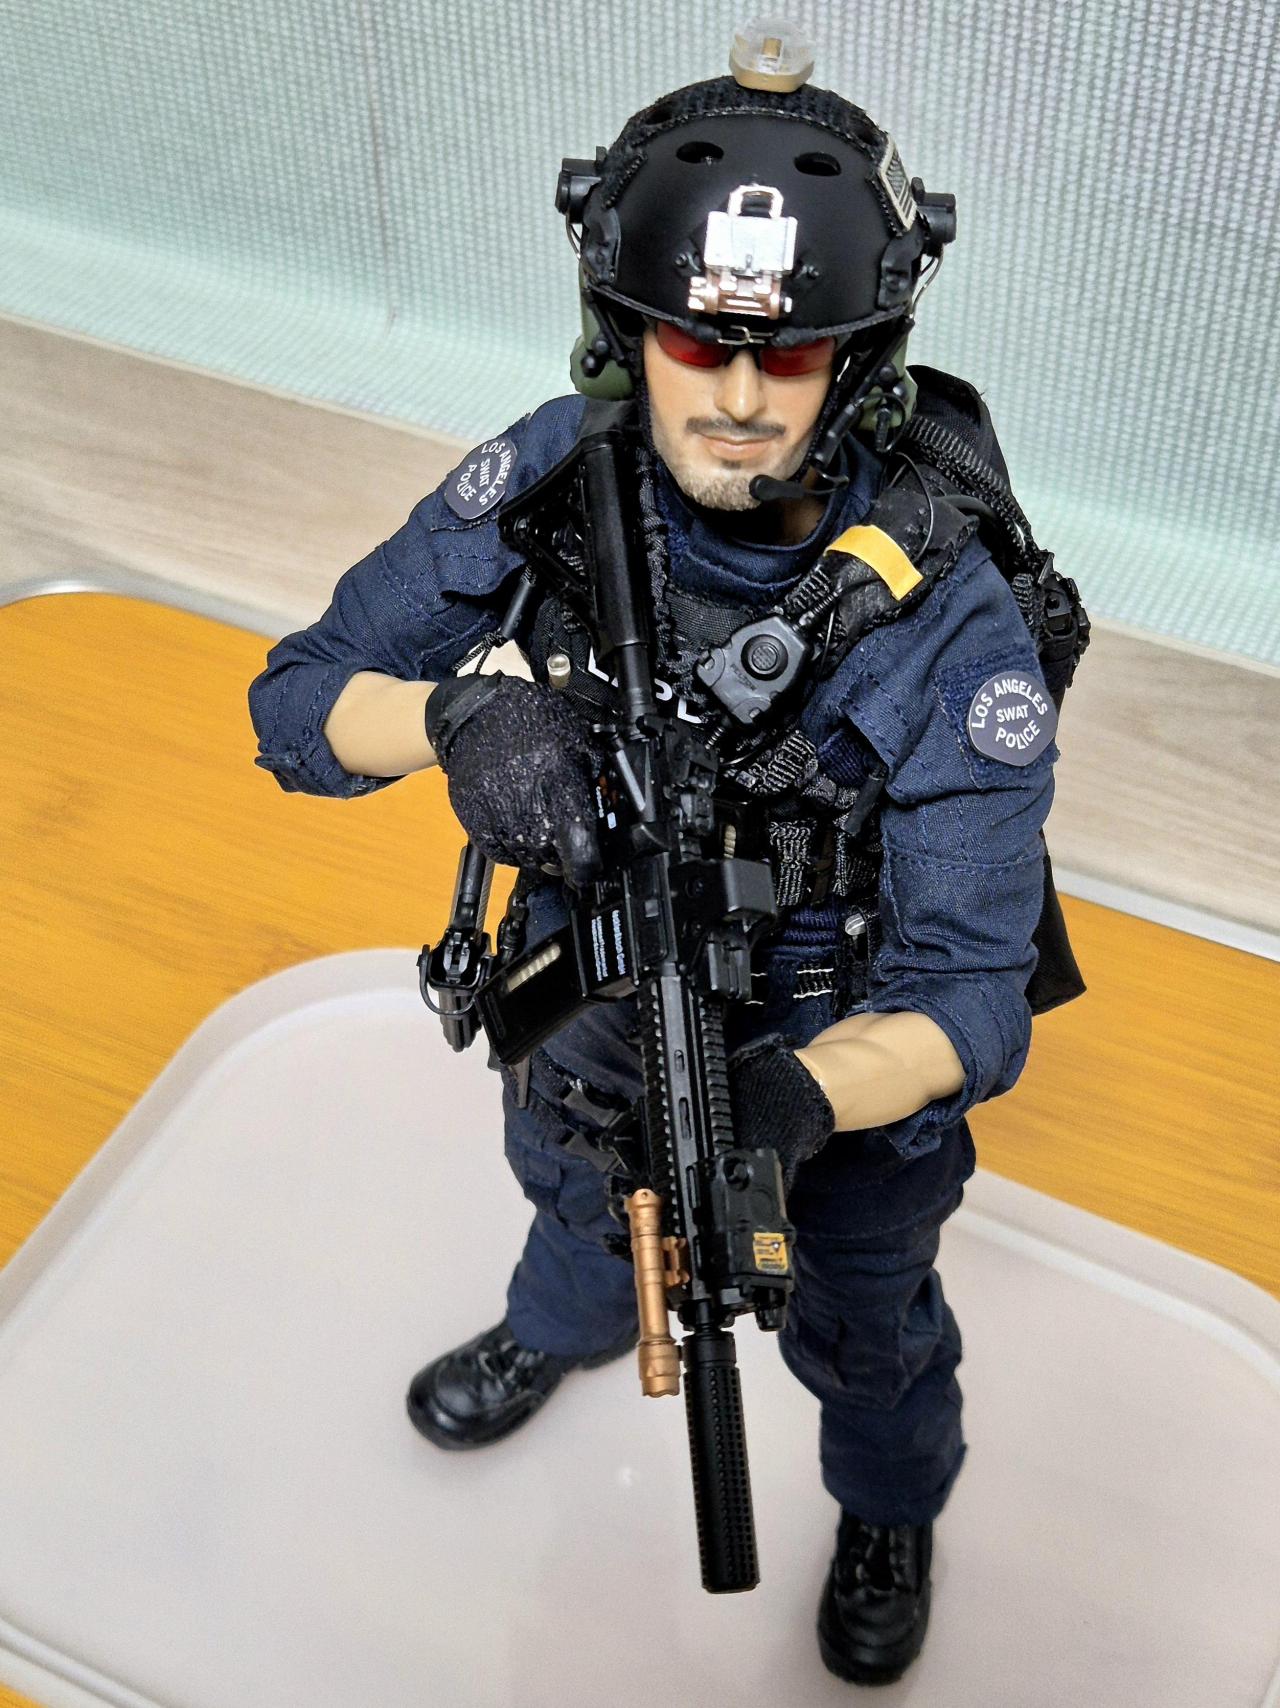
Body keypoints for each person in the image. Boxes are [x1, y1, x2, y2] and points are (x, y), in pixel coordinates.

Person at [249, 22, 1082, 1686]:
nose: (742, 399)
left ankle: (891, 1511)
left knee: (868, 1328)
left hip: (834, 1050)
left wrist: (801, 1100)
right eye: (698, 343)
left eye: (794, 353)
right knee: (574, 1210)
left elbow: (973, 999)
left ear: (862, 357)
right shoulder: (560, 479)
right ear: (627, 328)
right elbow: (297, 700)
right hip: (592, 995)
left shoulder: (946, 614)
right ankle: (553, 1333)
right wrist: (458, 724)